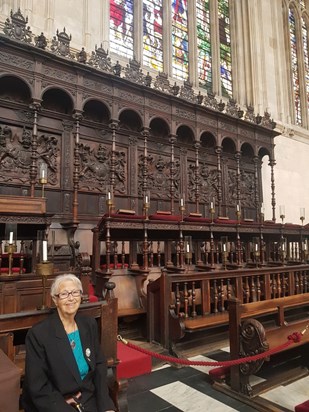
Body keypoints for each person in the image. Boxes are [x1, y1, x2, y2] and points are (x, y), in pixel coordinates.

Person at [22, 273, 116, 412]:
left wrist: (106, 406)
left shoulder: (88, 324)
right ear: (55, 299)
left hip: (88, 398)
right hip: (57, 404)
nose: (71, 298)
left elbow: (100, 364)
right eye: (64, 294)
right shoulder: (39, 334)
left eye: (75, 292)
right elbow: (38, 387)